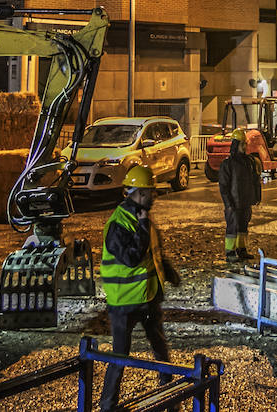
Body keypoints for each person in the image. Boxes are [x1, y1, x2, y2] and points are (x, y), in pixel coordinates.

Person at [98, 165, 179, 412]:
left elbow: (153, 252)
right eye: (149, 192)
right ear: (136, 193)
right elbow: (132, 258)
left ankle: (170, 397)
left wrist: (169, 271)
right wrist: (143, 227)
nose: (153, 196)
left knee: (160, 349)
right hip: (124, 303)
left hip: (148, 297)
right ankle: (107, 406)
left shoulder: (143, 216)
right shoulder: (119, 223)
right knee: (119, 356)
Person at [216, 128, 261, 262]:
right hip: (233, 204)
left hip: (245, 202)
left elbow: (254, 181)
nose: (245, 147)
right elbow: (223, 186)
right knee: (232, 229)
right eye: (242, 144)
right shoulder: (228, 164)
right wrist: (228, 204)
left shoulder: (248, 162)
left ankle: (242, 250)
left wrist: (256, 197)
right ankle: (230, 252)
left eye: (245, 144)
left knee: (243, 227)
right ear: (236, 144)